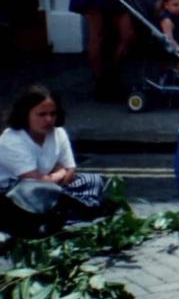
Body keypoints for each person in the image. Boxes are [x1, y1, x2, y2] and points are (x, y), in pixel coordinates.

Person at [0, 85, 108, 221]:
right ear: (25, 114)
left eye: (53, 114)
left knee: (93, 180)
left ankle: (59, 212)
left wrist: (56, 175)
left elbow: (71, 171)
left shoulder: (59, 133)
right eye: (42, 114)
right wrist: (60, 172)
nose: (49, 120)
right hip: (15, 194)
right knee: (33, 194)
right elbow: (33, 180)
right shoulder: (12, 139)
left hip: (50, 187)